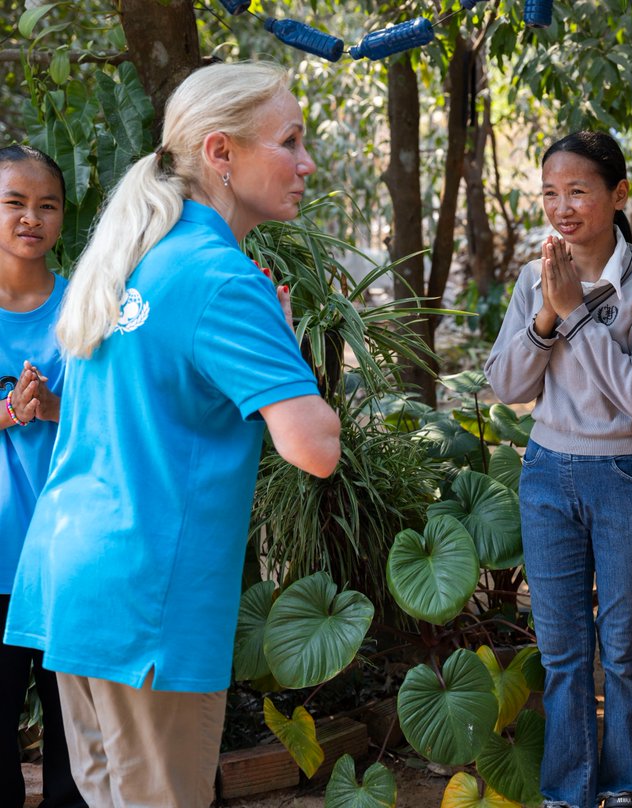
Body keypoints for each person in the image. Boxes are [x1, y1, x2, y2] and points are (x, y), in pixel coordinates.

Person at [3, 62, 341, 808]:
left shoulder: (129, 255)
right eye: (289, 141)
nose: (305, 161)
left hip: (74, 579)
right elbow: (314, 449)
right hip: (147, 598)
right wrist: (289, 357)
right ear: (221, 153)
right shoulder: (223, 277)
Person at [485, 131, 632, 808]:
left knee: (624, 651)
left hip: (629, 480)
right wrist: (545, 311)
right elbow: (506, 383)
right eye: (549, 193)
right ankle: (567, 794)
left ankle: (626, 790)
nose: (561, 207)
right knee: (564, 652)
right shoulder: (533, 276)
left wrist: (575, 312)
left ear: (618, 195)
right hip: (546, 477)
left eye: (577, 191)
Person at [0, 145, 86, 808]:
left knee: (75, 747)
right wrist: (7, 411)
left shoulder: (84, 309)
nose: (32, 217)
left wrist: (53, 405)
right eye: (14, 202)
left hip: (67, 556)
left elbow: (120, 415)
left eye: (46, 205)